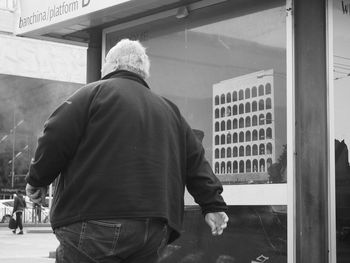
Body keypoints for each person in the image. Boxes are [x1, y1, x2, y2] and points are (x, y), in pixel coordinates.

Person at [26, 39, 228, 263]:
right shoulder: (170, 111)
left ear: (111, 65)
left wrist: (38, 180)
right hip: (154, 227)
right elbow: (195, 161)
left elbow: (54, 136)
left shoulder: (91, 94)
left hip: (93, 221)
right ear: (143, 73)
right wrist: (212, 205)